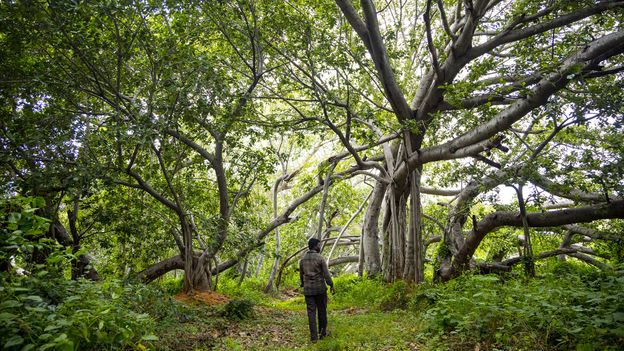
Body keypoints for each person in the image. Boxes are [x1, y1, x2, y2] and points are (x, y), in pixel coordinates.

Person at [299, 237, 336, 342]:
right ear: (315, 246)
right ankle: (322, 333)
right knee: (322, 311)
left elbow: (301, 274)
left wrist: (303, 284)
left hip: (308, 291)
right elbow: (326, 274)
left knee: (311, 313)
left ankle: (314, 337)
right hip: (320, 289)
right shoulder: (320, 258)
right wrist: (331, 285)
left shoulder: (302, 259)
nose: (319, 247)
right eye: (319, 245)